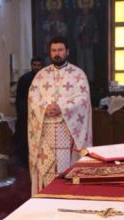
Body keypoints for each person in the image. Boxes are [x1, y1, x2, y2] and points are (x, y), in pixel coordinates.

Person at [28, 36, 92, 194]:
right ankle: (46, 196)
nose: (57, 53)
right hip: (45, 131)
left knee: (65, 169)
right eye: (54, 50)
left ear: (67, 51)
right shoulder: (41, 76)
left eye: (60, 50)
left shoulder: (78, 75)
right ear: (50, 52)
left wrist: (62, 107)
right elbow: (32, 99)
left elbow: (83, 99)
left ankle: (67, 196)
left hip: (67, 131)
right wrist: (45, 108)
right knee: (46, 167)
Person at [14, 56, 43, 168]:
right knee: (24, 139)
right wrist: (23, 113)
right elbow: (20, 98)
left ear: (42, 66)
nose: (36, 67)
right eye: (34, 65)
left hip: (40, 114)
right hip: (26, 114)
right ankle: (25, 162)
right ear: (31, 65)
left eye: (38, 65)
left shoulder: (45, 78)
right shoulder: (24, 79)